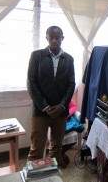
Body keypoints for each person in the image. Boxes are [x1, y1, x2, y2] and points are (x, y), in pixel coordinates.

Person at [27, 25, 75, 168]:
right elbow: (31, 83)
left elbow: (71, 84)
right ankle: (33, 173)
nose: (54, 40)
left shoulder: (69, 59)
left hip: (61, 111)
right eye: (51, 37)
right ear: (47, 38)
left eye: (57, 37)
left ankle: (53, 172)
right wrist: (45, 106)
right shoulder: (36, 56)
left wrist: (62, 106)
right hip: (41, 110)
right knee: (37, 147)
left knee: (56, 146)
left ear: (62, 38)